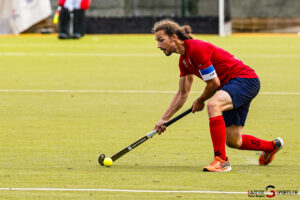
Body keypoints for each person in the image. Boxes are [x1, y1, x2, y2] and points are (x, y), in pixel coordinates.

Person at [152, 19, 284, 172]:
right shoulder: (184, 61)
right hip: (230, 86)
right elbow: (182, 94)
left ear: (174, 37)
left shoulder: (196, 48)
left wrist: (200, 100)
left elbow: (214, 83)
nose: (159, 46)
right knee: (233, 141)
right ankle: (271, 146)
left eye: (161, 40)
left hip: (245, 80)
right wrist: (164, 119)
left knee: (213, 105)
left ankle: (221, 161)